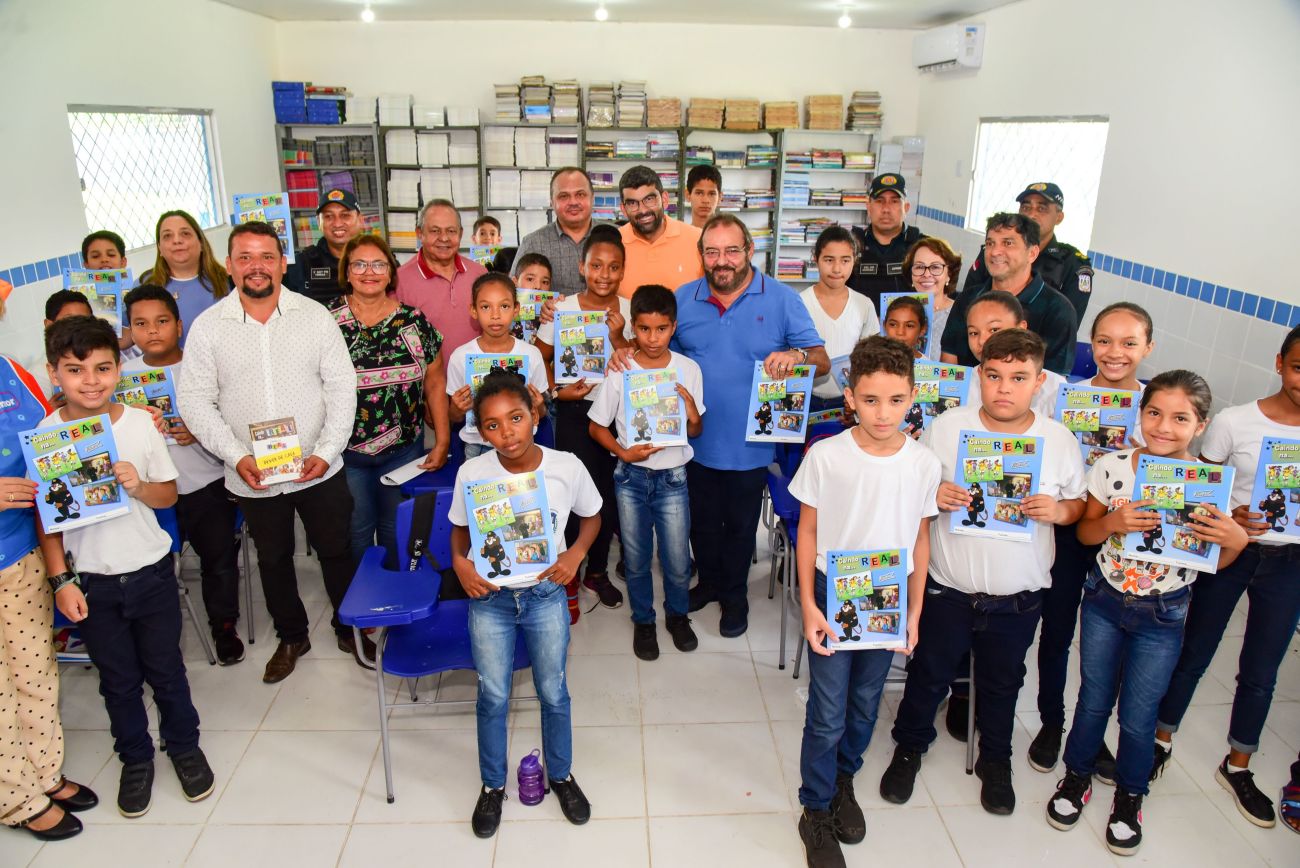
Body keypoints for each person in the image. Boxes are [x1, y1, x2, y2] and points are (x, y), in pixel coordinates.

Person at [881, 328, 1086, 815]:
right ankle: (909, 747)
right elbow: (916, 494)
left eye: (1018, 377)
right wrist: (937, 496)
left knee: (1003, 682)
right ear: (980, 375)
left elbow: (1078, 504)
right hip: (948, 590)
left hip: (1017, 598)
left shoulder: (1057, 441)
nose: (1004, 388)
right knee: (928, 673)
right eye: (994, 376)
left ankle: (997, 760)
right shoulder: (948, 427)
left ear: (1039, 381)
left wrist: (1059, 512)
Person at [1046, 370, 1247, 856]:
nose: (1164, 426)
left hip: (1164, 615)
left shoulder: (1208, 484)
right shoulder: (1113, 467)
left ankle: (1130, 795)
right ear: (1139, 414)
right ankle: (1076, 777)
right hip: (1104, 602)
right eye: (1154, 413)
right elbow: (1087, 535)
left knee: (1138, 715)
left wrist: (1236, 539)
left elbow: (1216, 562)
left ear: (1200, 426)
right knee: (1093, 698)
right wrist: (1113, 521)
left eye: (1181, 418)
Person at [38, 316, 213, 820]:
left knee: (167, 672)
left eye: (102, 368)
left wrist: (137, 485)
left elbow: (168, 494)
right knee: (117, 680)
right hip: (90, 581)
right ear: (55, 374)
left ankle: (183, 746)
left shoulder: (139, 423)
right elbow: (48, 523)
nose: (90, 380)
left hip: (150, 571)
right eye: (75, 370)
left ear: (119, 368)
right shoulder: (49, 435)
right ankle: (135, 758)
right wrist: (61, 581)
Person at [178, 221, 360, 683]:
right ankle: (292, 634)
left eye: (265, 257)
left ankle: (350, 627)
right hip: (252, 471)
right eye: (245, 257)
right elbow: (196, 400)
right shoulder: (208, 328)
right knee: (273, 558)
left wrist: (327, 448)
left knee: (336, 549)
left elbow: (342, 386)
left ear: (283, 264)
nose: (256, 267)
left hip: (319, 464)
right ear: (229, 265)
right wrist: (236, 455)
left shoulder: (315, 316)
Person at [790, 336, 941, 868]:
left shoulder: (924, 462)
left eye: (897, 400)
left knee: (865, 701)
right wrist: (808, 604)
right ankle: (814, 807)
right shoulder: (827, 454)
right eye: (871, 400)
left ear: (913, 397)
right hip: (836, 589)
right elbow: (806, 533)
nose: (884, 412)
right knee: (828, 711)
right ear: (850, 397)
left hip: (890, 594)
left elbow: (921, 540)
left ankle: (843, 781)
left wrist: (915, 610)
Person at [1152, 324, 1300, 828]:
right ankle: (1159, 739)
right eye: (1299, 367)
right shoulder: (1237, 422)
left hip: (1290, 563)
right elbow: (1199, 485)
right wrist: (1232, 514)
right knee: (1194, 651)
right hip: (1230, 555)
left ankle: (1238, 765)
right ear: (1279, 363)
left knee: (1262, 669)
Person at [449, 371, 601, 840]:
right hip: (490, 599)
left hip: (544, 595)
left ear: (535, 414)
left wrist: (575, 554)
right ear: (479, 430)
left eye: (515, 418)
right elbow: (459, 529)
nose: (506, 433)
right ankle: (493, 785)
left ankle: (561, 776)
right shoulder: (472, 473)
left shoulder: (566, 466)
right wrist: (460, 564)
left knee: (553, 691)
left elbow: (592, 515)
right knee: (492, 695)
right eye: (492, 425)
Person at [672, 213, 829, 638]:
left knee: (740, 526)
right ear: (702, 255)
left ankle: (735, 597)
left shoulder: (781, 299)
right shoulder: (683, 298)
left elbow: (821, 360)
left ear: (749, 252)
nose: (721, 261)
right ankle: (707, 583)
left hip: (751, 445)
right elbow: (659, 359)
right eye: (712, 252)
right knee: (701, 523)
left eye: (731, 251)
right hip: (695, 440)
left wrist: (796, 357)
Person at [1028, 302, 1154, 775]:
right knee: (1057, 632)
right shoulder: (1063, 396)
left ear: (1148, 347)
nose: (1114, 352)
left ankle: (1094, 732)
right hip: (1068, 530)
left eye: (1128, 343)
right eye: (1103, 341)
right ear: (1090, 342)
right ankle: (1051, 722)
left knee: (1110, 643)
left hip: (1123, 541)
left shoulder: (1156, 406)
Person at [0, 297, 96, 842]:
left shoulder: (13, 373)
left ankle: (44, 771)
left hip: (20, 554)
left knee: (34, 671)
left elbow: (52, 445)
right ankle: (14, 796)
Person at [122, 284, 245, 665]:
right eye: (141, 324)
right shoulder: (122, 376)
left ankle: (223, 625)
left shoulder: (202, 364)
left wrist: (199, 431)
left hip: (205, 481)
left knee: (218, 560)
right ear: (130, 330)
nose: (152, 331)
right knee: (158, 566)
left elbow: (233, 418)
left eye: (161, 321)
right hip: (151, 489)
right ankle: (159, 636)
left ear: (179, 325)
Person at [586, 284, 705, 660]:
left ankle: (677, 616)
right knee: (636, 558)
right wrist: (623, 451)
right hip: (631, 478)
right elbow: (596, 426)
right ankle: (643, 620)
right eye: (644, 329)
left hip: (673, 478)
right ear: (633, 327)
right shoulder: (622, 369)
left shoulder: (687, 369)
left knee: (675, 557)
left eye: (662, 329)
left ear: (674, 327)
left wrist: (689, 410)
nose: (653, 338)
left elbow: (697, 430)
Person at [328, 233, 450, 570]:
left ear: (391, 271)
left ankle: (395, 599)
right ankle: (363, 607)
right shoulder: (326, 322)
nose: (370, 272)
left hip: (404, 449)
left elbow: (436, 383)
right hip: (345, 453)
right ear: (347, 271)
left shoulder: (413, 321)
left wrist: (441, 441)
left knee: (398, 529)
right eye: (360, 264)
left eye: (379, 264)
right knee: (357, 530)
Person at [536, 225, 633, 612]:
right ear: (582, 267)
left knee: (608, 497)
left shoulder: (629, 309)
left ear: (623, 270)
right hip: (576, 412)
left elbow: (642, 368)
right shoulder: (562, 310)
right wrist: (557, 392)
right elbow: (537, 358)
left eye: (613, 267)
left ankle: (596, 570)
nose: (604, 275)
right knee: (575, 493)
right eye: (596, 266)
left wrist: (621, 337)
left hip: (617, 416)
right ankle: (568, 573)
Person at [940, 213, 1079, 376]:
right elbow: (949, 367)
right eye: (990, 243)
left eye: (1008, 243)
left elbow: (1052, 385)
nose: (995, 252)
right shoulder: (968, 299)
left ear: (1032, 253)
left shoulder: (1058, 310)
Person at [447, 272, 548, 460]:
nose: (495, 315)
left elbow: (540, 414)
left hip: (521, 446)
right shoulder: (460, 357)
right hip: (477, 447)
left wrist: (539, 406)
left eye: (504, 306)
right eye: (486, 307)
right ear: (474, 310)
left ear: (516, 309)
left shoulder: (531, 354)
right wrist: (456, 408)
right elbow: (453, 417)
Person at [960, 183, 1095, 323]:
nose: (1031, 215)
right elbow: (969, 300)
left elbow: (1068, 322)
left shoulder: (1072, 263)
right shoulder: (995, 252)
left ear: (1059, 217)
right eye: (1026, 207)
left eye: (1042, 209)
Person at [395, 199, 486, 364]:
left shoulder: (480, 274)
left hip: (476, 382)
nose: (444, 238)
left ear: (461, 233)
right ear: (419, 233)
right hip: (426, 385)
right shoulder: (399, 281)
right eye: (435, 231)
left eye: (451, 231)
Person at [798, 226, 879, 410]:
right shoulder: (799, 303)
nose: (836, 268)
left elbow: (872, 359)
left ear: (854, 261)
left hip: (849, 402)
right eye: (829, 260)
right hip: (805, 399)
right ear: (815, 258)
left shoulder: (864, 304)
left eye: (845, 260)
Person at [139, 210, 230, 345]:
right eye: (167, 236)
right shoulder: (144, 285)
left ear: (201, 243)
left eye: (185, 234)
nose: (177, 240)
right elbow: (125, 332)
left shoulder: (228, 281)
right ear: (160, 248)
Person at [616, 165, 704, 297]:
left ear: (664, 199)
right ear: (623, 209)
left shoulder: (698, 239)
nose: (643, 210)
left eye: (649, 199)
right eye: (632, 203)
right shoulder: (614, 242)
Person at [514, 167, 597, 297]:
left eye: (580, 194)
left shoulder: (616, 237)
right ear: (552, 202)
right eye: (564, 196)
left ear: (592, 198)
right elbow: (510, 296)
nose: (573, 202)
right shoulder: (533, 243)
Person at [846, 174, 926, 309]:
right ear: (869, 207)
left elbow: (936, 296)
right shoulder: (850, 245)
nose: (886, 209)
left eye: (894, 201)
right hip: (859, 326)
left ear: (906, 208)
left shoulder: (923, 247)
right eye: (879, 201)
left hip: (907, 327)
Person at [284, 188, 366, 304]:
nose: (337, 223)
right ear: (318, 222)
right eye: (328, 216)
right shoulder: (300, 264)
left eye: (345, 215)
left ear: (361, 220)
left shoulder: (380, 261)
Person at [903, 237, 961, 352]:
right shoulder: (896, 310)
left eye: (935, 267)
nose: (927, 274)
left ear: (949, 274)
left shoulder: (961, 315)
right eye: (919, 267)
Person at [882, 296, 928, 360]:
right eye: (893, 324)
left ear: (923, 329)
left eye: (909, 326)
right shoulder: (872, 362)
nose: (900, 332)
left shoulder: (928, 367)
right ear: (884, 326)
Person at [685, 164, 723, 230]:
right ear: (688, 195)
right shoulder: (681, 236)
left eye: (711, 194)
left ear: (720, 197)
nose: (705, 200)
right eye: (699, 193)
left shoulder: (729, 236)